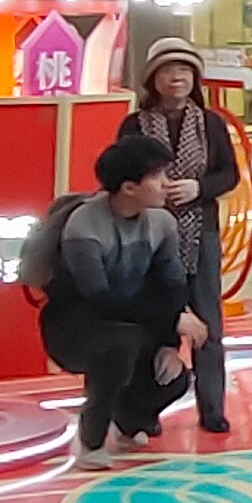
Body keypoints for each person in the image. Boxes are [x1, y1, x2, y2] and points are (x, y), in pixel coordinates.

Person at [44, 134, 207, 470]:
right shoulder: (84, 227)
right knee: (120, 347)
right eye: (157, 177)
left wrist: (169, 344)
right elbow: (99, 300)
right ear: (129, 187)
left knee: (173, 377)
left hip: (132, 322)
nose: (167, 184)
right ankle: (90, 439)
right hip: (75, 326)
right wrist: (171, 321)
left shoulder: (162, 222)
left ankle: (129, 421)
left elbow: (172, 285)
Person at [118, 37, 241, 436]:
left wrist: (198, 188)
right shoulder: (135, 125)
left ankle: (213, 407)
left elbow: (230, 174)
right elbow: (119, 174)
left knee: (208, 320)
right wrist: (151, 189)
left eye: (185, 71)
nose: (177, 78)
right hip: (148, 234)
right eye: (169, 70)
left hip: (200, 231)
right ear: (153, 78)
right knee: (154, 321)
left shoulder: (210, 123)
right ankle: (146, 409)